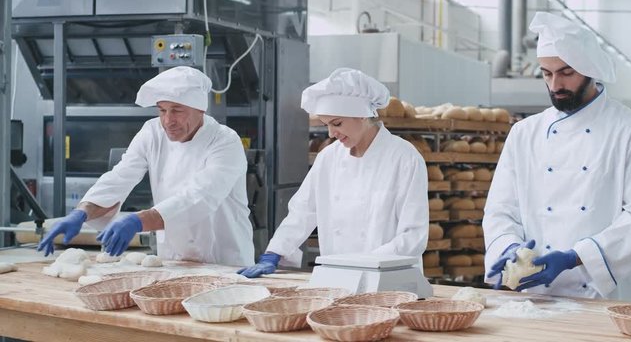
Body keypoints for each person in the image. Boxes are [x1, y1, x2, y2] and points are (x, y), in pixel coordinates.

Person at [483, 12, 631, 303]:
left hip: (607, 294)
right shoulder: (523, 133)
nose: (555, 85)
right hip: (537, 294)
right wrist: (506, 247)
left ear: (590, 69)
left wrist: (574, 257)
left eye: (566, 73)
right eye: (546, 73)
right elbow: (500, 210)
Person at [37, 66, 255, 266]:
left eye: (177, 110)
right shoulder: (152, 132)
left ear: (200, 110)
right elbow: (121, 176)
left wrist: (137, 220)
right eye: (162, 110)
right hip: (174, 261)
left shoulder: (224, 141)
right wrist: (82, 212)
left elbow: (200, 198)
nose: (168, 121)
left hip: (224, 261)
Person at [237, 68, 429, 278]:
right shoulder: (329, 157)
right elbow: (303, 211)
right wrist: (274, 252)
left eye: (337, 123)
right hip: (339, 277)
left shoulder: (404, 158)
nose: (331, 133)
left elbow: (413, 235)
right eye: (326, 125)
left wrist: (366, 264)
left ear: (362, 115)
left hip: (389, 279)